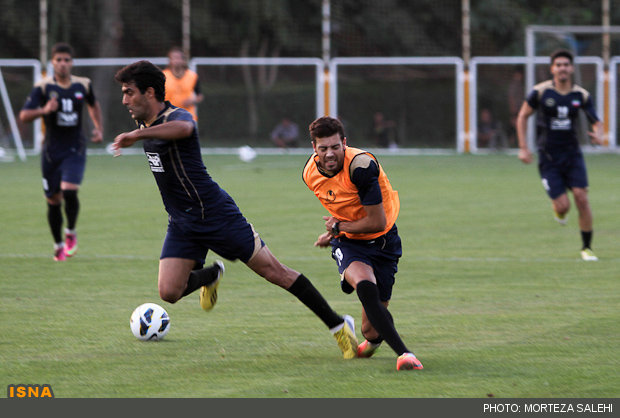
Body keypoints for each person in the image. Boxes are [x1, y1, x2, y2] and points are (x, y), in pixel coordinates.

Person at [111, 60, 358, 359]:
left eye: (129, 92)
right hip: (182, 222)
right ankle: (212, 274)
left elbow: (185, 126)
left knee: (275, 272)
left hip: (216, 215)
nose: (124, 100)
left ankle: (339, 326)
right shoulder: (144, 125)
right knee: (169, 292)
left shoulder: (176, 116)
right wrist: (138, 133)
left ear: (149, 92)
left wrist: (135, 136)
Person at [302, 116, 423, 371]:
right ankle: (405, 355)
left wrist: (337, 228)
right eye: (323, 148)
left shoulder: (361, 166)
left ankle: (370, 343)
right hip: (350, 244)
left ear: (344, 143)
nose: (330, 153)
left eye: (335, 146)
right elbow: (342, 205)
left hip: (384, 240)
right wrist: (337, 233)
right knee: (365, 286)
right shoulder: (309, 174)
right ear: (314, 148)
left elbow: (376, 222)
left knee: (371, 329)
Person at [19, 42, 104, 261]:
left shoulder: (83, 84)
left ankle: (71, 232)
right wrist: (44, 110)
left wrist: (98, 127)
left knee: (69, 190)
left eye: (67, 60)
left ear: (72, 62)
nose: (63, 64)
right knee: (53, 200)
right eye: (59, 60)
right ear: (52, 63)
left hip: (75, 147)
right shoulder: (44, 87)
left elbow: (93, 105)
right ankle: (58, 244)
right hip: (51, 152)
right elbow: (25, 115)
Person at [516, 49, 603, 261]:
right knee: (564, 205)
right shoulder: (540, 92)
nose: (562, 68)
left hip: (573, 155)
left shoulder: (581, 95)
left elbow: (596, 121)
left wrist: (598, 133)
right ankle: (559, 211)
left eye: (566, 64)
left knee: (582, 198)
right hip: (549, 157)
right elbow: (522, 116)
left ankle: (587, 248)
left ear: (571, 68)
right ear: (552, 69)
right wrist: (523, 147)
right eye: (559, 65)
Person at [163, 47, 203, 121]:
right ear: (170, 61)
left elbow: (199, 96)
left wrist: (192, 101)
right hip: (168, 117)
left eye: (178, 58)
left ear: (183, 60)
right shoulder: (163, 76)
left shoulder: (192, 76)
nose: (176, 61)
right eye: (174, 58)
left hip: (187, 117)